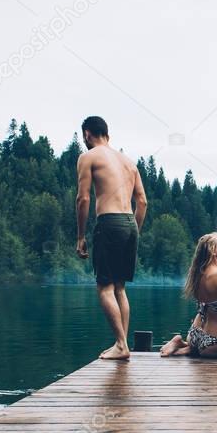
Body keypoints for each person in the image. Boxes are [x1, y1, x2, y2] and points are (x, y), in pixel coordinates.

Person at [75, 116, 148, 360]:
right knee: (119, 288)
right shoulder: (129, 162)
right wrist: (133, 229)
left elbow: (83, 199)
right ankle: (122, 344)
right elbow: (143, 202)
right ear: (107, 133)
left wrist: (80, 236)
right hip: (129, 223)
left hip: (109, 221)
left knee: (104, 287)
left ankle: (120, 344)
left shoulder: (88, 156)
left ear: (87, 134)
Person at [160, 233, 217, 363]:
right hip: (215, 342)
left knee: (199, 348)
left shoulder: (197, 274)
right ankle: (184, 348)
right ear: (213, 251)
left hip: (194, 335)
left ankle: (182, 346)